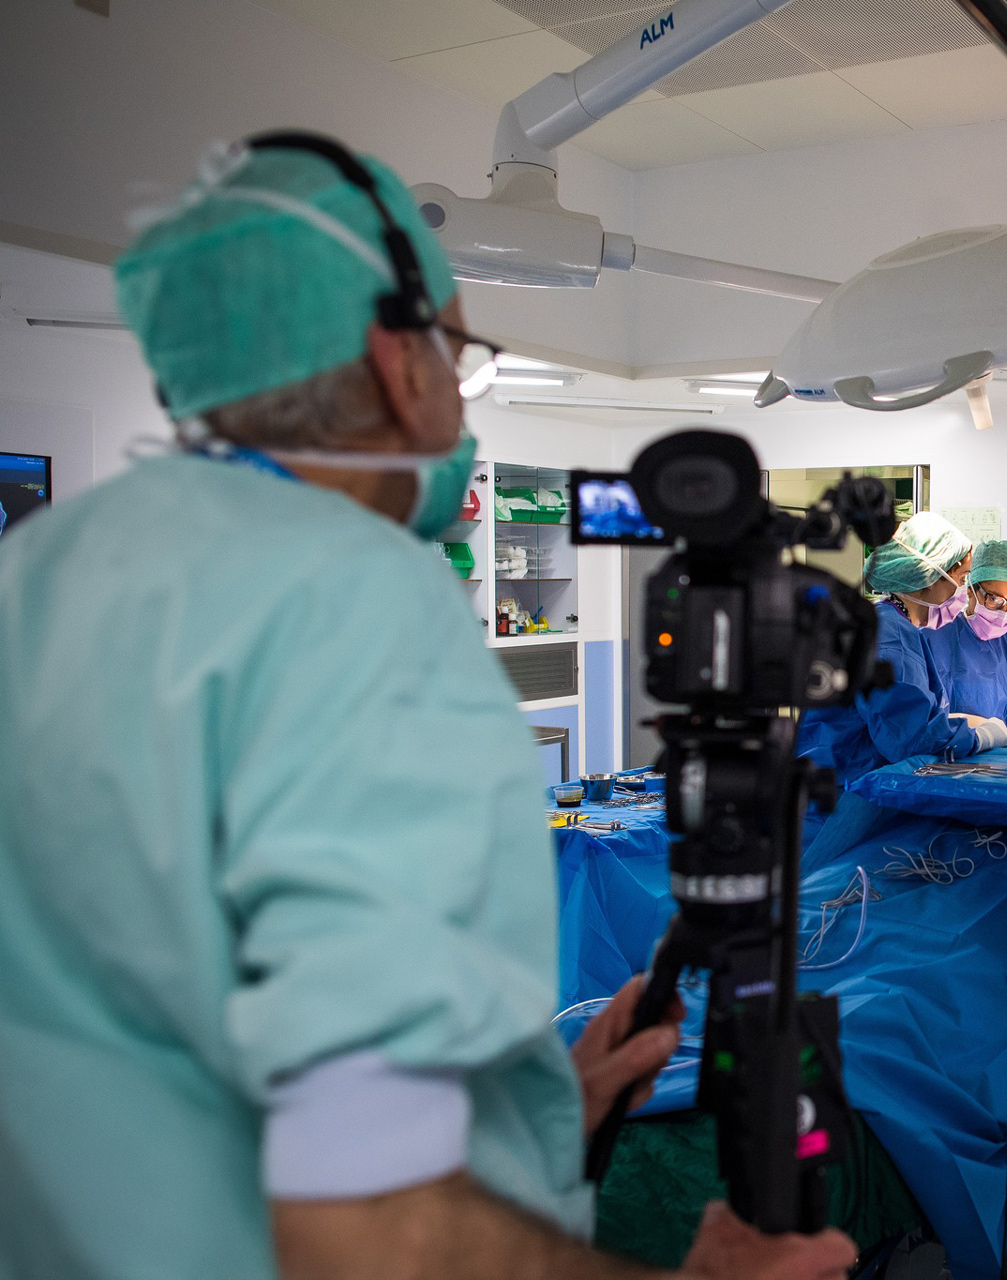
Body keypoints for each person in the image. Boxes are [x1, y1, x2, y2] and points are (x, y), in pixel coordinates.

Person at [0, 133, 853, 1280]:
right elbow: (363, 1233)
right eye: (459, 350)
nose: (459, 387)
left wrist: (542, 1113)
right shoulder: (354, 601)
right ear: (395, 359)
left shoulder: (44, 566)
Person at [796, 510, 1007, 790]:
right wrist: (983, 737)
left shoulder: (888, 623)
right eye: (961, 578)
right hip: (848, 790)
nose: (962, 590)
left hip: (840, 780)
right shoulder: (890, 635)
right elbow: (909, 738)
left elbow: (906, 716)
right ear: (931, 576)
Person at [925, 537, 1007, 743]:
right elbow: (921, 718)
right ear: (970, 591)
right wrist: (980, 731)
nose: (1004, 612)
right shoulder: (933, 639)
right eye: (994, 599)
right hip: (952, 756)